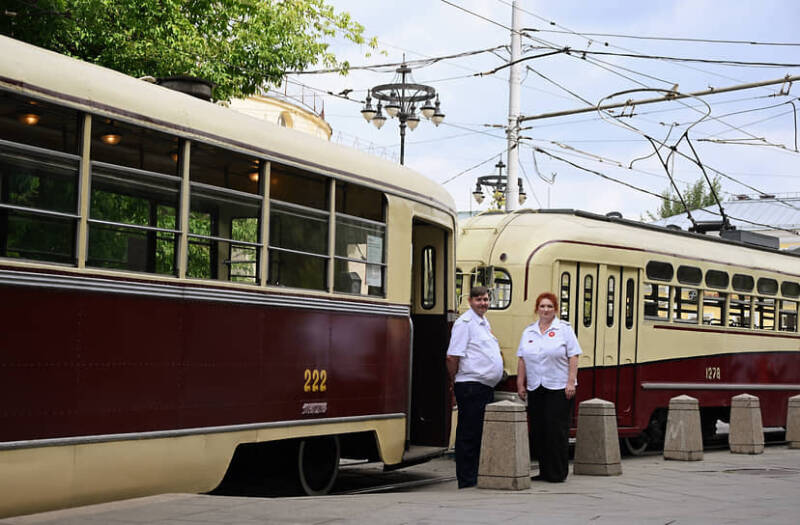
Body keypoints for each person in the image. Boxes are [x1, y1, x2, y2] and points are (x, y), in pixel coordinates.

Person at [516, 291, 581, 482]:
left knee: (556, 431)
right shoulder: (529, 331)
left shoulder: (564, 329)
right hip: (536, 386)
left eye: (549, 306)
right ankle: (544, 471)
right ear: (537, 309)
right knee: (539, 430)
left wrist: (571, 382)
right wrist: (520, 384)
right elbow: (522, 359)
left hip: (558, 387)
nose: (545, 310)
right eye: (542, 306)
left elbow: (574, 356)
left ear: (555, 309)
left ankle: (558, 473)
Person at [446, 286, 504, 489]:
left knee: (479, 434)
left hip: (483, 386)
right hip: (470, 385)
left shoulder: (483, 322)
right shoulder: (465, 323)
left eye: (486, 299)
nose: (483, 303)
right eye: (479, 299)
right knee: (469, 435)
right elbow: (452, 356)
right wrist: (454, 382)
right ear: (470, 301)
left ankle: (474, 475)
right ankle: (467, 480)